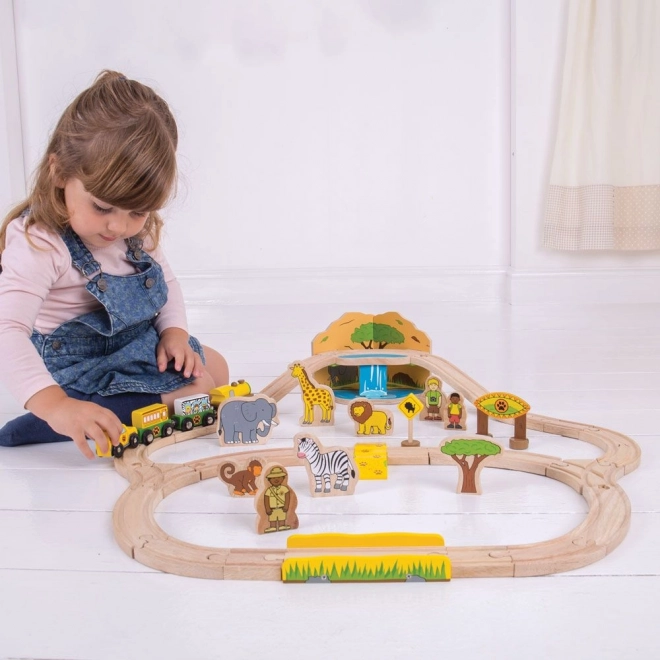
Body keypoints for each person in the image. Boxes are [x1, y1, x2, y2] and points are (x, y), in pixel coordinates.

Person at [0, 71, 228, 458]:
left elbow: (166, 284)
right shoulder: (41, 243)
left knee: (215, 369)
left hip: (131, 347)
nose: (118, 227)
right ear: (59, 171)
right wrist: (56, 405)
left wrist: (174, 333)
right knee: (197, 393)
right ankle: (56, 419)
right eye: (103, 207)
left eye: (137, 212)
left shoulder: (137, 235)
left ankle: (115, 410)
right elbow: (8, 331)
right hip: (73, 367)